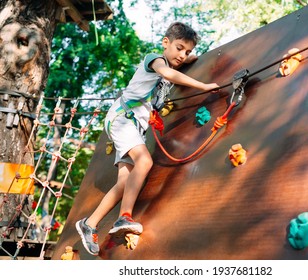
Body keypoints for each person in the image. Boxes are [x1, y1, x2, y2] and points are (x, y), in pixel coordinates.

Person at [75, 22, 220, 256]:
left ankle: (89, 224)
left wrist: (190, 57)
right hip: (124, 118)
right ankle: (124, 217)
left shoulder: (175, 59)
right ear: (165, 43)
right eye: (179, 48)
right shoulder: (155, 59)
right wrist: (202, 85)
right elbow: (168, 72)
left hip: (135, 126)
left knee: (125, 182)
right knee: (145, 162)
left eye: (187, 52)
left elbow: (183, 61)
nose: (182, 55)